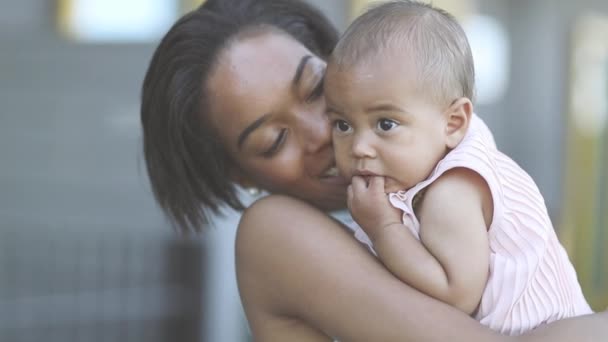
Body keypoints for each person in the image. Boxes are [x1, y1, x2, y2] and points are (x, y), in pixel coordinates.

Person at [140, 0, 608, 340]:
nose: (323, 133)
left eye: (318, 88)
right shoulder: (274, 234)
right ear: (239, 175)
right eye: (274, 140)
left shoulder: (439, 181)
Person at [323, 0, 592, 336]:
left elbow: (456, 294)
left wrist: (383, 227)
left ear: (453, 123)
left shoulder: (453, 191)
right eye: (343, 125)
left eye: (386, 124)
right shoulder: (429, 159)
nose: (359, 147)